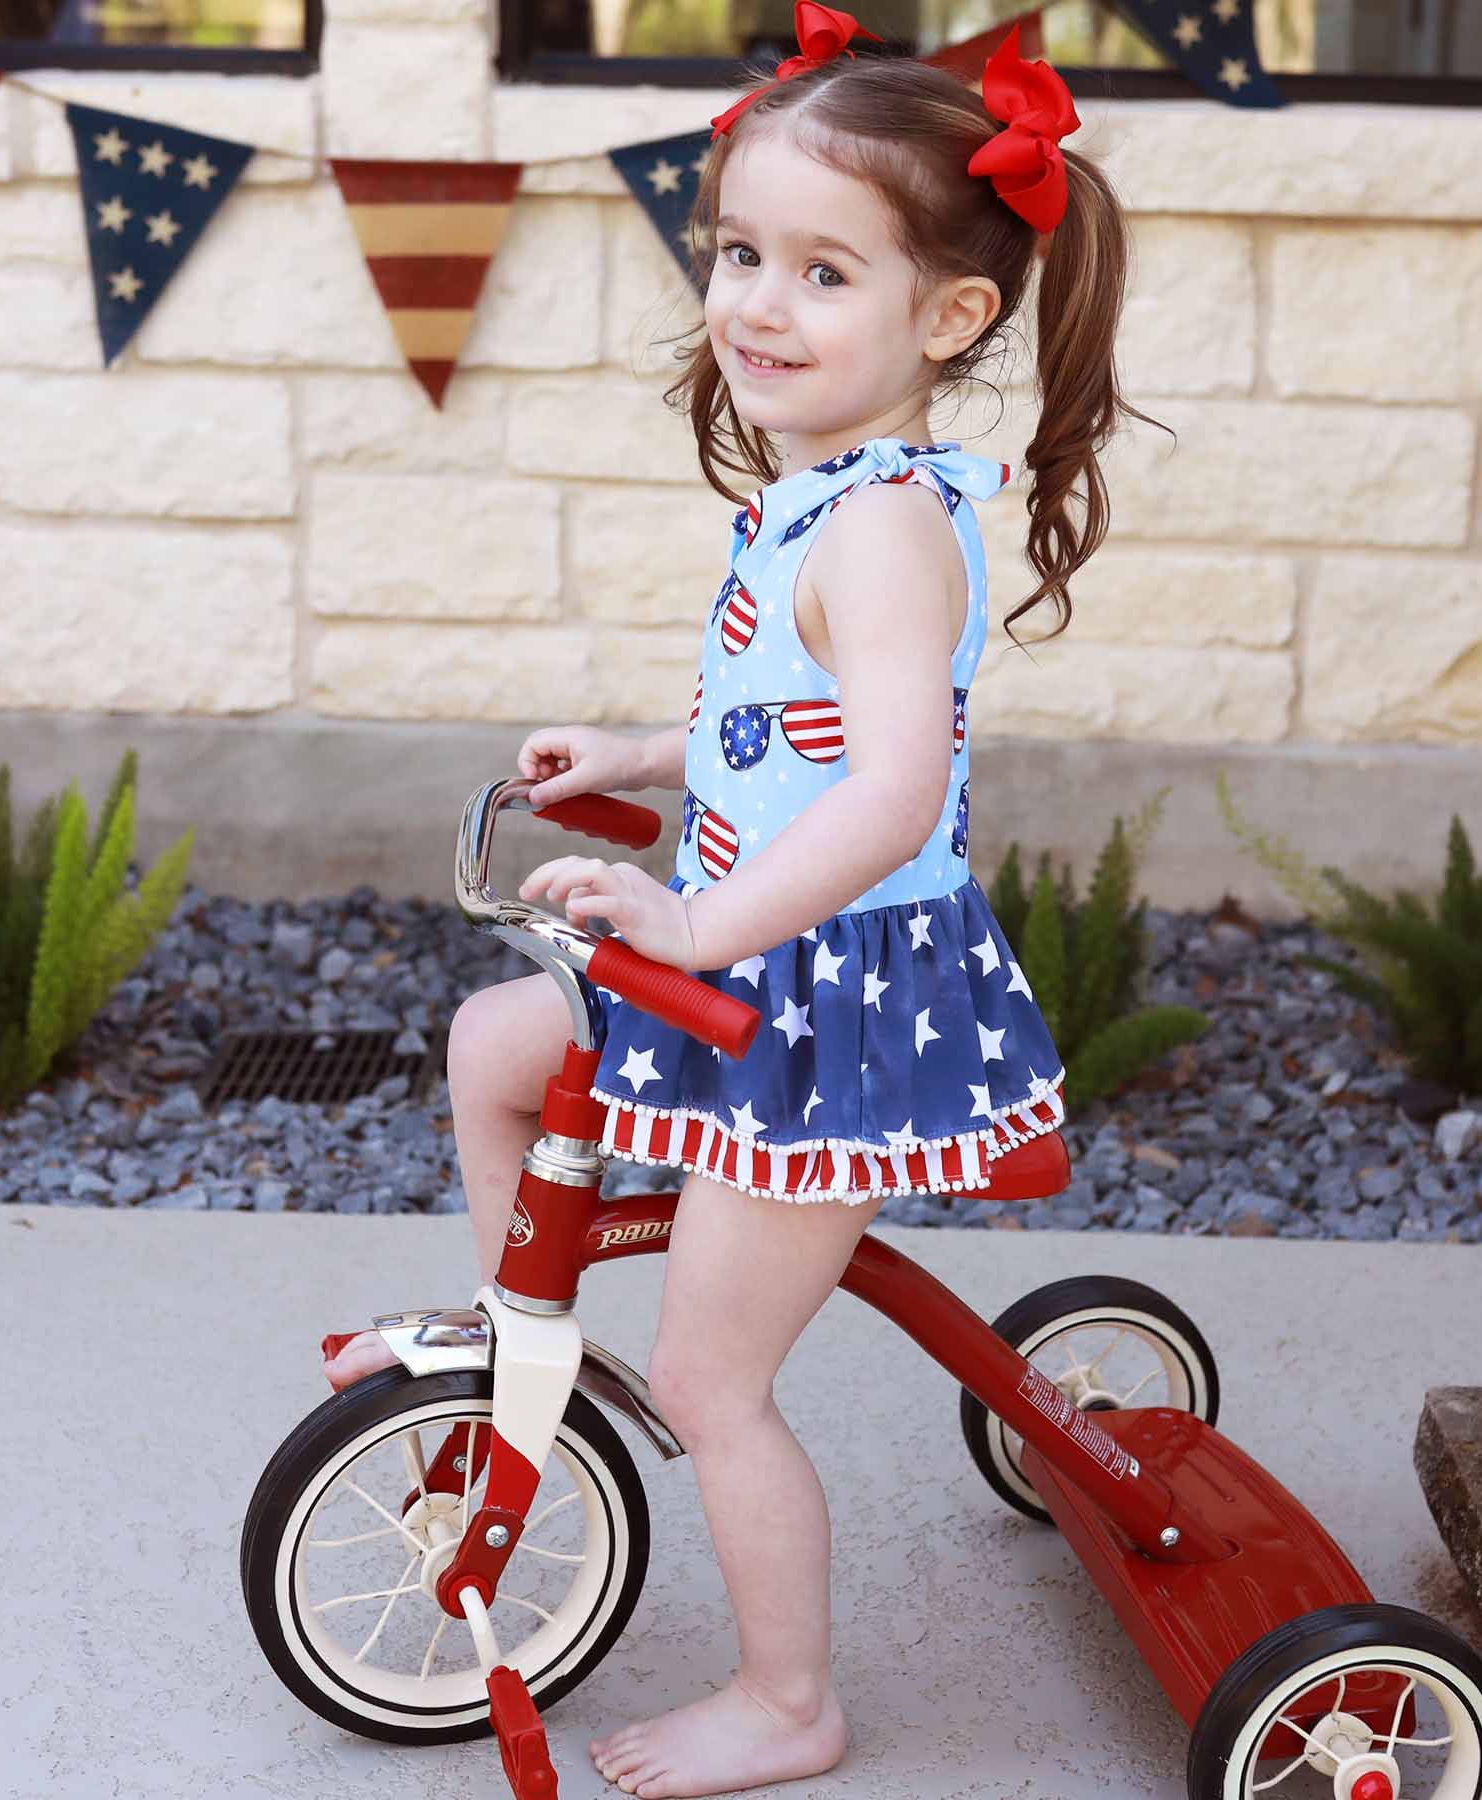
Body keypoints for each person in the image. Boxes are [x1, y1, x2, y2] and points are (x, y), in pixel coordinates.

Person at [324, 4, 1157, 1791]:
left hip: (835, 1011)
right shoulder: (816, 489)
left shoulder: (880, 527)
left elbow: (892, 789)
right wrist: (643, 753)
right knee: (494, 1046)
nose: (759, 302)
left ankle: (792, 1700)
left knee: (720, 1385)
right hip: (747, 961)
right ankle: (527, 1351)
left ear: (952, 316)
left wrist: (695, 921)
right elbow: (790, 730)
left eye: (823, 271)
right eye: (740, 253)